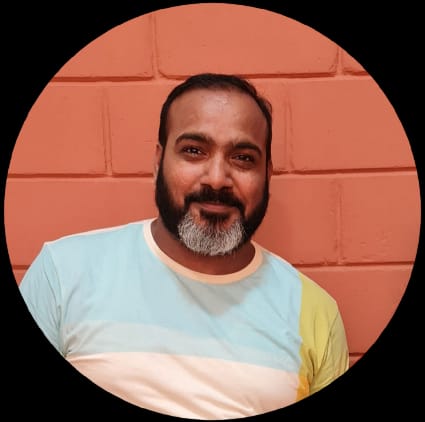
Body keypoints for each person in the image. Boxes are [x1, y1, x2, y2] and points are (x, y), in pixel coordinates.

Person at [19, 73, 349, 419]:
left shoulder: (316, 313)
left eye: (243, 158)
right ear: (158, 162)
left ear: (267, 175)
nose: (217, 179)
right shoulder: (63, 274)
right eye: (193, 151)